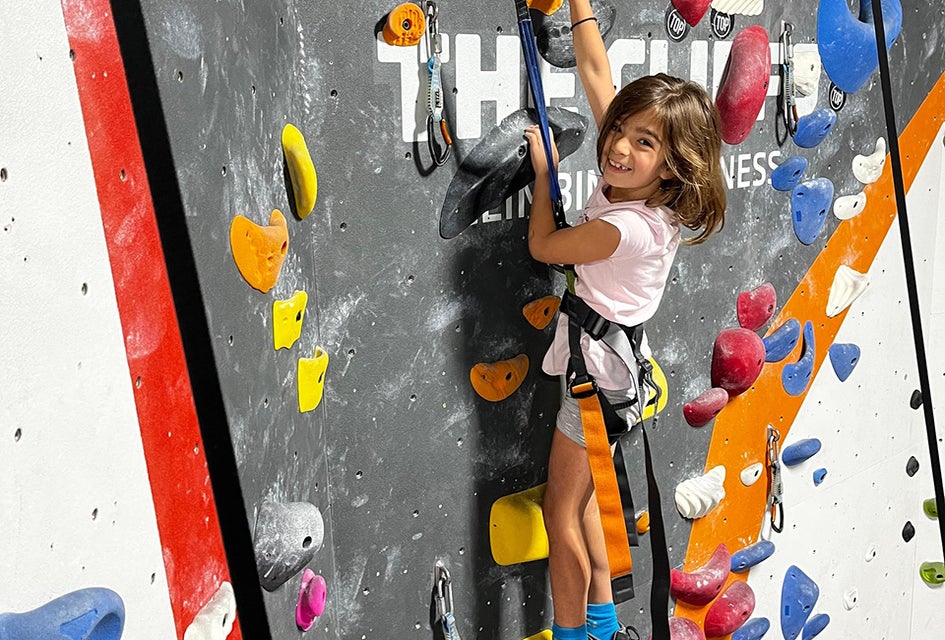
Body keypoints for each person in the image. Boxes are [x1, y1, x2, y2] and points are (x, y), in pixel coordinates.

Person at [522, 0, 727, 638]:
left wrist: (546, 176)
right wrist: (577, 4)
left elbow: (545, 248)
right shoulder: (647, 196)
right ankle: (605, 624)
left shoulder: (623, 230)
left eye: (644, 143)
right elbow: (593, 70)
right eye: (621, 132)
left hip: (595, 377)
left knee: (561, 513)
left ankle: (576, 632)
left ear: (671, 164)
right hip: (606, 368)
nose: (618, 147)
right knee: (583, 503)